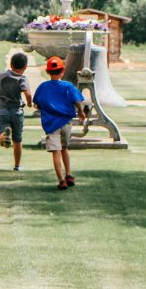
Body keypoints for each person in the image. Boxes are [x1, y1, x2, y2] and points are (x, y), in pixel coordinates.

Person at [33, 56, 87, 191]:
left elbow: (37, 104)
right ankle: (69, 175)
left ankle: (61, 180)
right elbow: (77, 101)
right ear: (62, 71)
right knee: (64, 149)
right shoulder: (68, 86)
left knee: (56, 152)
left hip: (51, 124)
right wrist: (80, 112)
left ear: (47, 72)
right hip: (66, 123)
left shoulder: (43, 87)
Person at [0, 52, 33, 171]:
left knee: (0, 135)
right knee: (18, 140)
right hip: (17, 111)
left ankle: (4, 136)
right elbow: (27, 93)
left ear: (10, 64)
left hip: (2, 110)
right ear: (25, 67)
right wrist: (29, 103)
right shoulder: (22, 78)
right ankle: (17, 166)